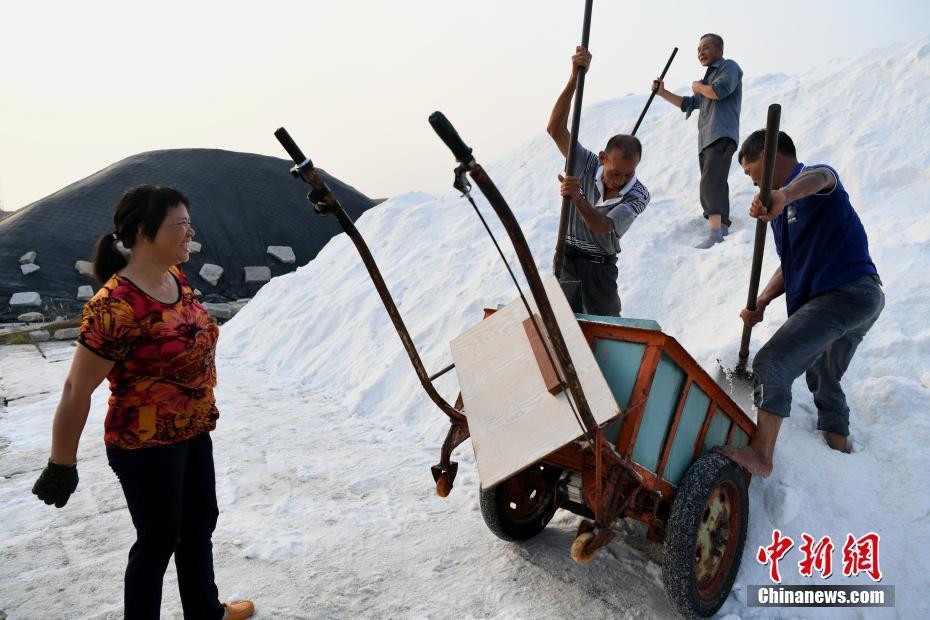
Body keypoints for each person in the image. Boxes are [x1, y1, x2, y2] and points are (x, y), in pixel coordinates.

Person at [31, 185, 255, 619]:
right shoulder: (115, 306)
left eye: (190, 223)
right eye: (179, 225)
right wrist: (62, 462)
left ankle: (206, 611)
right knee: (157, 541)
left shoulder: (176, 278)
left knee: (197, 526)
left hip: (192, 430)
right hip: (145, 444)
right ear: (142, 232)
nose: (190, 232)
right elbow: (77, 388)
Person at [716, 131, 884, 477]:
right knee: (823, 374)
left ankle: (762, 454)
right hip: (860, 300)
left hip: (843, 293)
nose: (753, 183)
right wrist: (761, 301)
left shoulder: (813, 181)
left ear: (772, 154)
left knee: (773, 361)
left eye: (752, 172)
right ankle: (841, 455)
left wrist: (783, 194)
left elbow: (822, 178)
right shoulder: (780, 214)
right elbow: (789, 265)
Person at [547, 46, 651, 316]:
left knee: (607, 327)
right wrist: (574, 78)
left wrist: (578, 199)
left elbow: (603, 227)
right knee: (564, 324)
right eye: (615, 173)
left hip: (601, 267)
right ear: (603, 158)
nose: (621, 181)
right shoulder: (585, 162)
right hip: (567, 257)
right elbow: (555, 129)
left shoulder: (639, 195)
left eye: (629, 174)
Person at [653, 33, 742, 248]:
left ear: (720, 49)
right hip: (707, 138)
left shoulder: (728, 67)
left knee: (710, 182)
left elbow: (718, 92)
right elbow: (688, 103)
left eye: (706, 47)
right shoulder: (708, 78)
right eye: (698, 49)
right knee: (715, 181)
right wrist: (663, 93)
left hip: (721, 133)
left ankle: (715, 233)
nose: (701, 52)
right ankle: (721, 228)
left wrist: (697, 86)